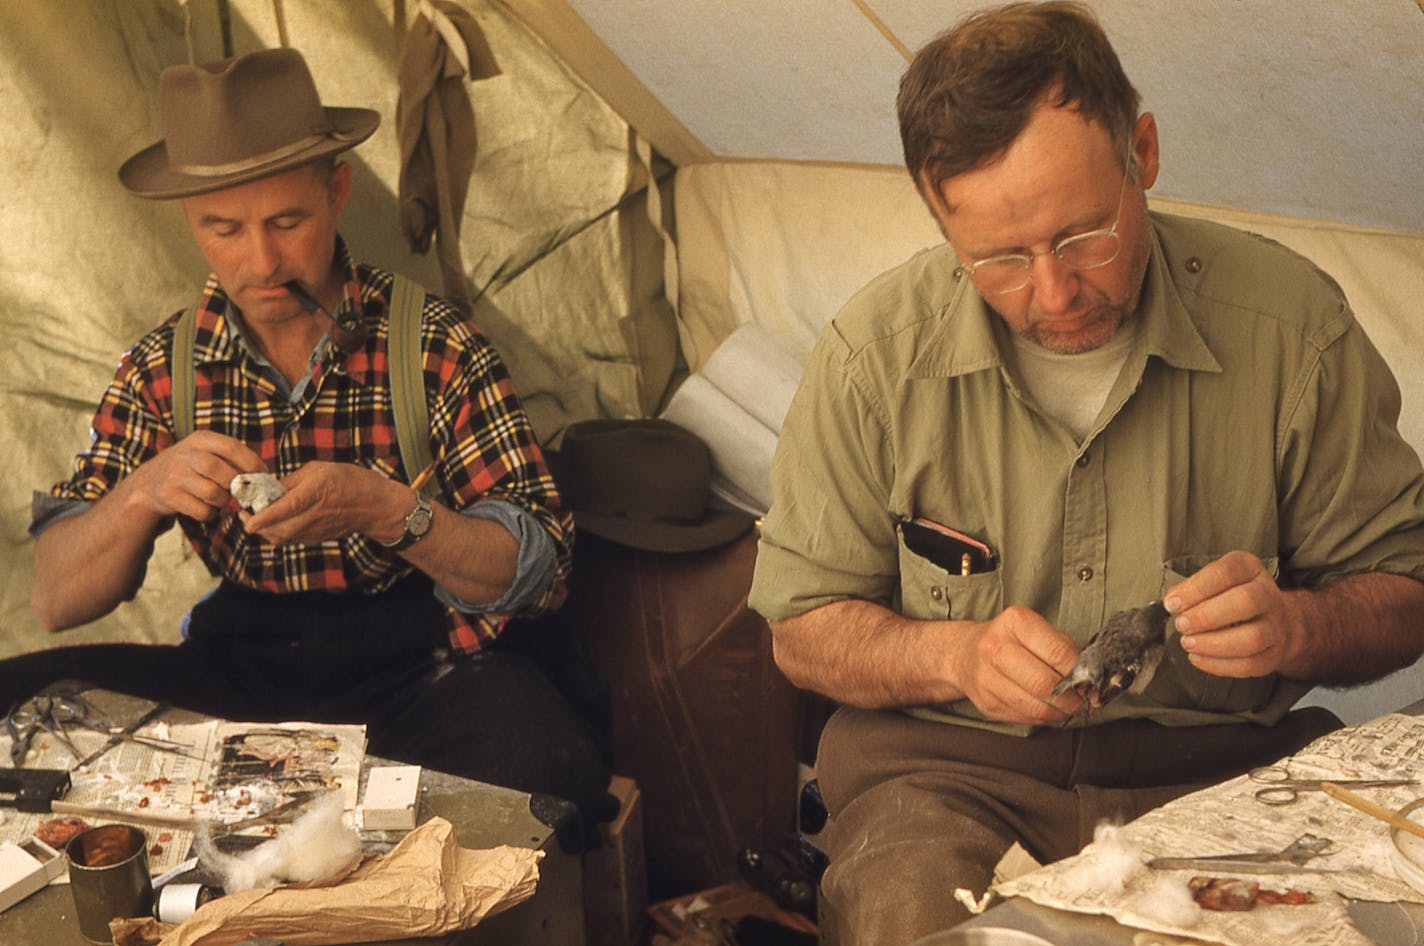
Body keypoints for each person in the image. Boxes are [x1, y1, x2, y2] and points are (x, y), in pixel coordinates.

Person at [748, 3, 1424, 943]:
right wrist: (953, 656)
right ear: (939, 217)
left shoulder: (1292, 328)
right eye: (999, 260)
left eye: (1082, 236)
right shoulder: (875, 356)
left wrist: (1298, 627)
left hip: (1225, 778)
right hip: (946, 783)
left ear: (1141, 154)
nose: (1055, 293)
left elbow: (1406, 595)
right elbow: (801, 632)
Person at [7, 47, 615, 839]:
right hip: (241, 671)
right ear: (189, 221)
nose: (260, 261)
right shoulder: (162, 368)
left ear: (336, 191)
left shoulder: (433, 347)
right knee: (16, 706)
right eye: (222, 229)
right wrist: (142, 492)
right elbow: (57, 598)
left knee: (545, 773)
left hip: (417, 670)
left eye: (286, 222)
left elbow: (540, 575)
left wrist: (395, 512)